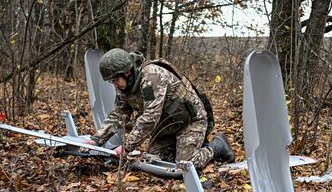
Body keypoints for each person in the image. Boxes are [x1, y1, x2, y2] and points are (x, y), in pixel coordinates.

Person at [85, 48, 234, 169]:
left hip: (190, 121)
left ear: (127, 72)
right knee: (154, 160)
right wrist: (96, 140)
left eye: (116, 80)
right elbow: (118, 114)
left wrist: (127, 147)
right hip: (166, 126)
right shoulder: (125, 87)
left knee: (186, 164)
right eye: (112, 82)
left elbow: (150, 117)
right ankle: (184, 145)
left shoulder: (152, 77)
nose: (115, 85)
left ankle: (217, 146)